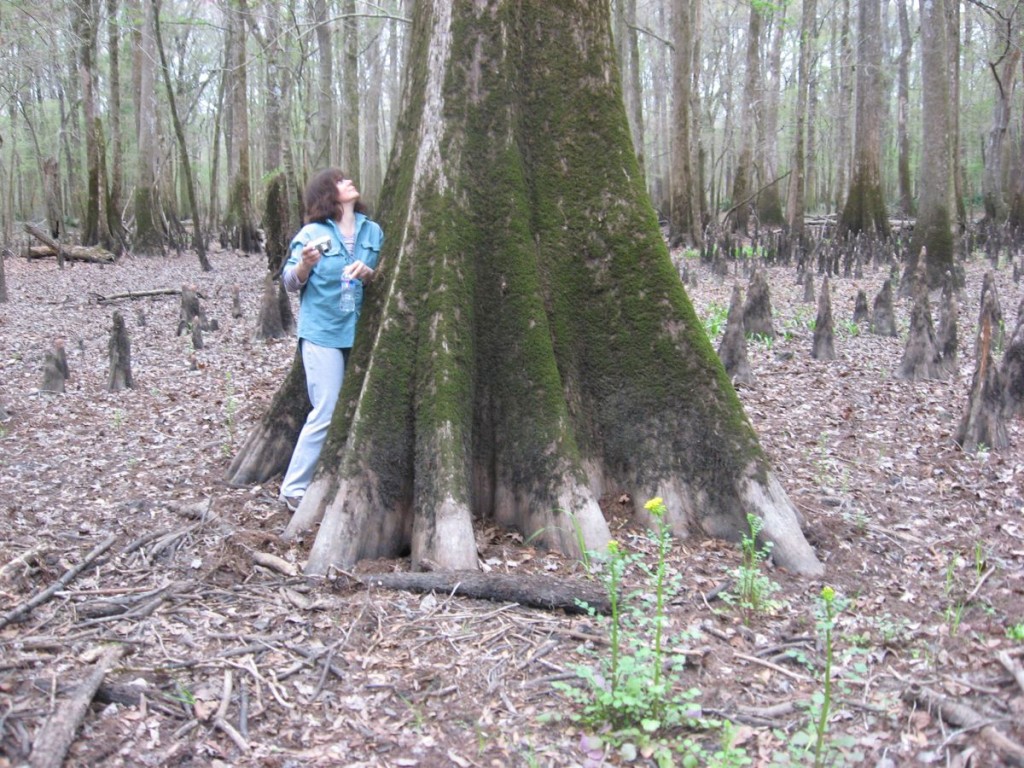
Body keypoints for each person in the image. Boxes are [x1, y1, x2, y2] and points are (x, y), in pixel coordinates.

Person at [278, 169, 383, 511]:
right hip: (322, 332)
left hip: (363, 334)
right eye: (339, 181)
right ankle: (293, 488)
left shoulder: (373, 230)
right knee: (326, 408)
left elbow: (386, 275)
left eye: (347, 178)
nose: (348, 181)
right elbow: (290, 282)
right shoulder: (312, 233)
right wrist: (306, 265)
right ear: (327, 195)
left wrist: (369, 274)